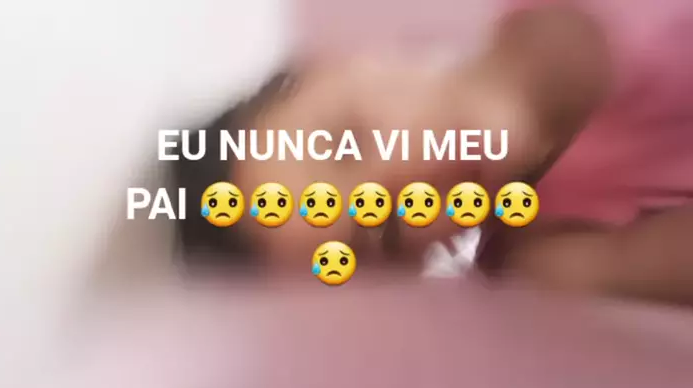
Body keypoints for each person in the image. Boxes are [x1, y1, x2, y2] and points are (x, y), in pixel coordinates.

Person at [174, 2, 693, 305]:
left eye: (349, 141)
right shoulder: (556, 261)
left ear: (342, 61)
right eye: (384, 230)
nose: (412, 174)